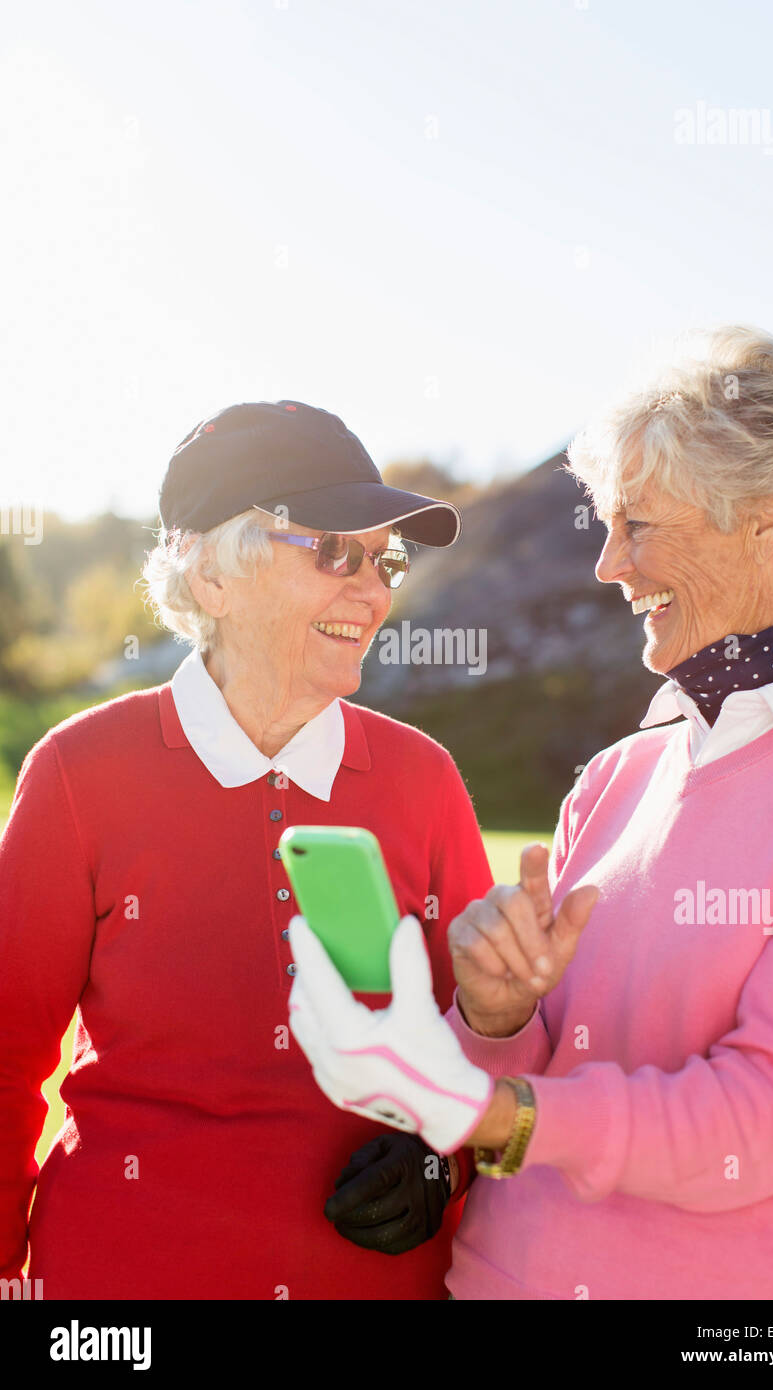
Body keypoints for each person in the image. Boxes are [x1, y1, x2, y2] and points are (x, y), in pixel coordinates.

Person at [288, 328, 773, 1299]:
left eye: (637, 525)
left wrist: (491, 1110)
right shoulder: (617, 774)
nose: (607, 566)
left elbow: (767, 1115)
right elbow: (539, 1062)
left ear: (767, 519)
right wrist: (497, 1011)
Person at [0, 400, 493, 1300]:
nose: (375, 591)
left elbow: (485, 1040)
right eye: (334, 550)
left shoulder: (424, 779)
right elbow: (3, 1058)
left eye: (383, 560)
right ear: (210, 574)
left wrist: (442, 1164)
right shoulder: (78, 772)